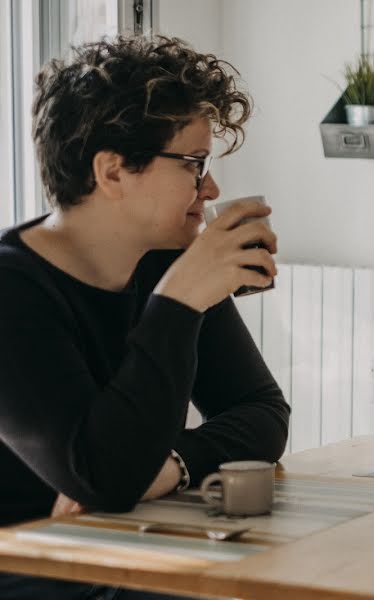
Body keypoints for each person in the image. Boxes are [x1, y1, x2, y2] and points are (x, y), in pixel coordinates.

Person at [0, 35, 288, 598]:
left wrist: (171, 466)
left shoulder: (170, 261)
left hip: (122, 542)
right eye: (194, 164)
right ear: (112, 171)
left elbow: (263, 414)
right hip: (32, 561)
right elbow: (103, 478)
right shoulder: (12, 289)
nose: (211, 188)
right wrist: (178, 304)